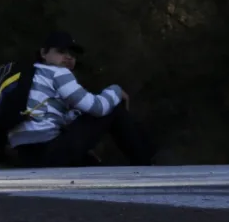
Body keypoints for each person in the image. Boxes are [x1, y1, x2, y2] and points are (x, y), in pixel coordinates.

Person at [8, 31, 156, 168]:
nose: (69, 57)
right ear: (43, 53)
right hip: (48, 150)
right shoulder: (57, 72)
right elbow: (97, 107)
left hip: (25, 157)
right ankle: (144, 163)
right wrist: (116, 90)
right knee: (113, 108)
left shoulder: (31, 77)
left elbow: (59, 119)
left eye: (72, 54)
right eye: (61, 51)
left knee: (93, 164)